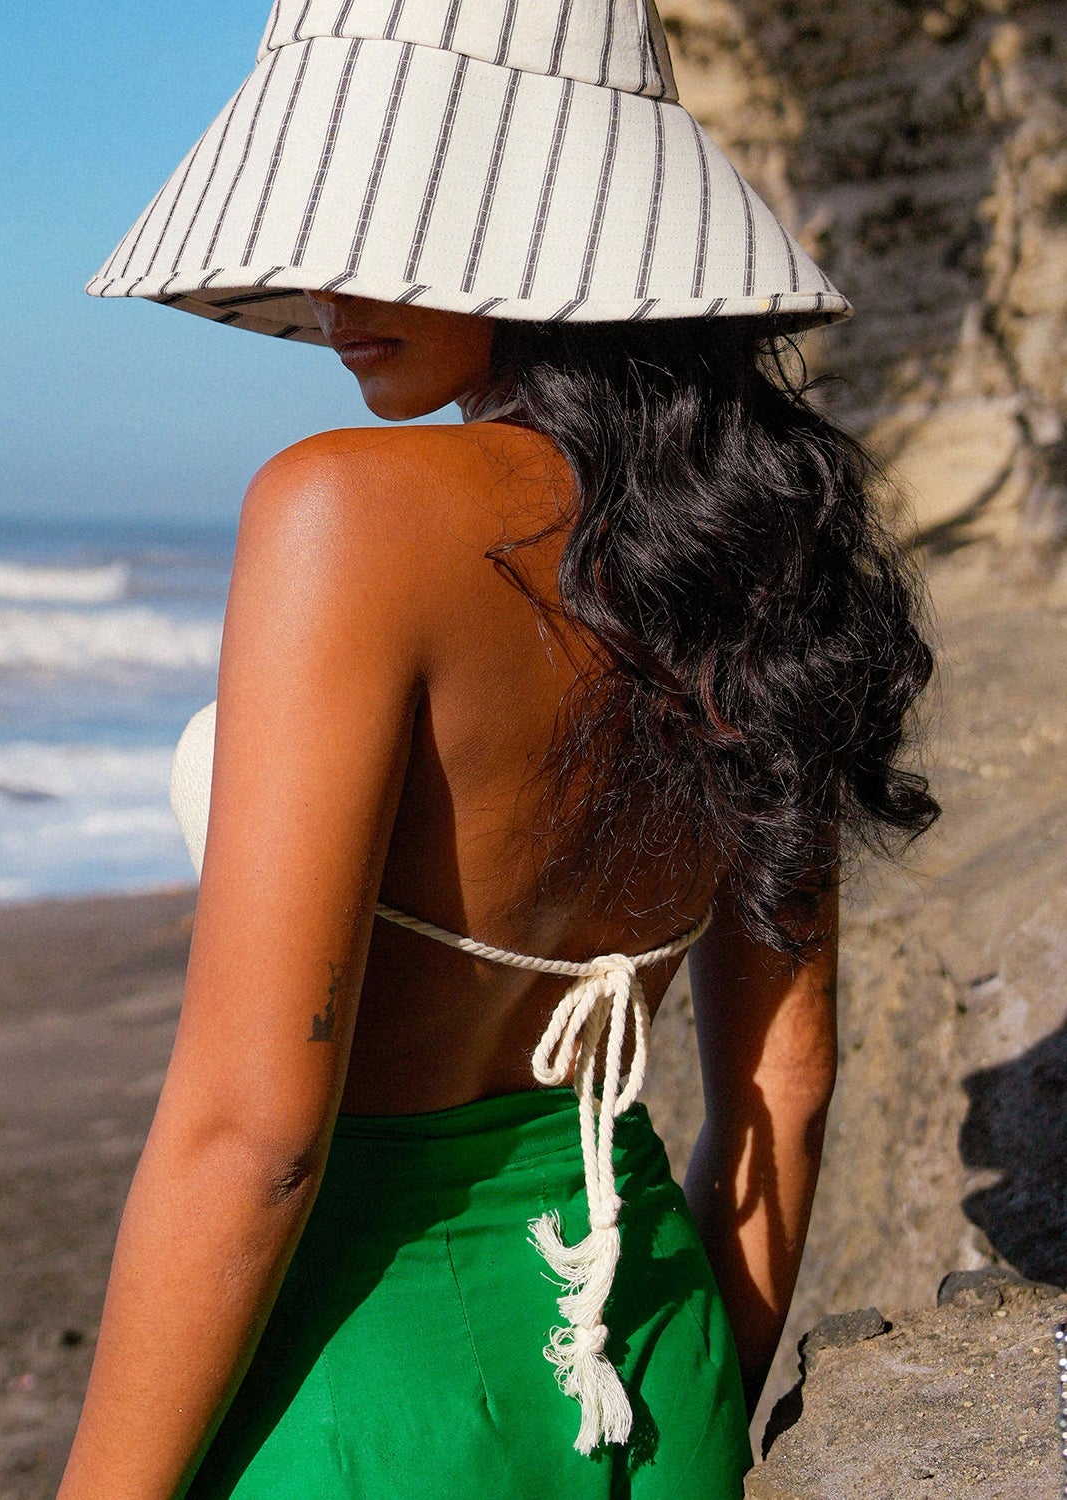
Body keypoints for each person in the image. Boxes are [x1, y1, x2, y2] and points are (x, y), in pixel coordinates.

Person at [58, 3, 937, 1496]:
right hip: (653, 1354)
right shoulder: (755, 553)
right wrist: (691, 1413)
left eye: (381, 207)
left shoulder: (347, 512)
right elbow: (785, 1085)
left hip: (360, 1382)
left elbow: (255, 1141)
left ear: (535, 220)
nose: (325, 280)